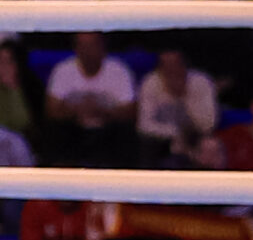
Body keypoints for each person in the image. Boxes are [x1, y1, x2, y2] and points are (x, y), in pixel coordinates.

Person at [45, 32, 137, 168]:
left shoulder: (119, 71)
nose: (87, 51)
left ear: (102, 46)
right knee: (55, 131)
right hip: (74, 130)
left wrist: (103, 112)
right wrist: (77, 111)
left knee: (126, 133)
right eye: (82, 46)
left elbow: (131, 111)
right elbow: (51, 110)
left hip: (108, 131)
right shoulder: (63, 70)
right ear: (76, 48)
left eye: (92, 45)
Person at [135, 49, 219, 166]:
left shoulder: (201, 82)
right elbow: (144, 126)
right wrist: (176, 133)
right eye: (166, 66)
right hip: (162, 142)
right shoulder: (150, 83)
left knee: (210, 145)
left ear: (185, 65)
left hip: (196, 139)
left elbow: (208, 124)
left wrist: (183, 96)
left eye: (176, 64)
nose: (172, 70)